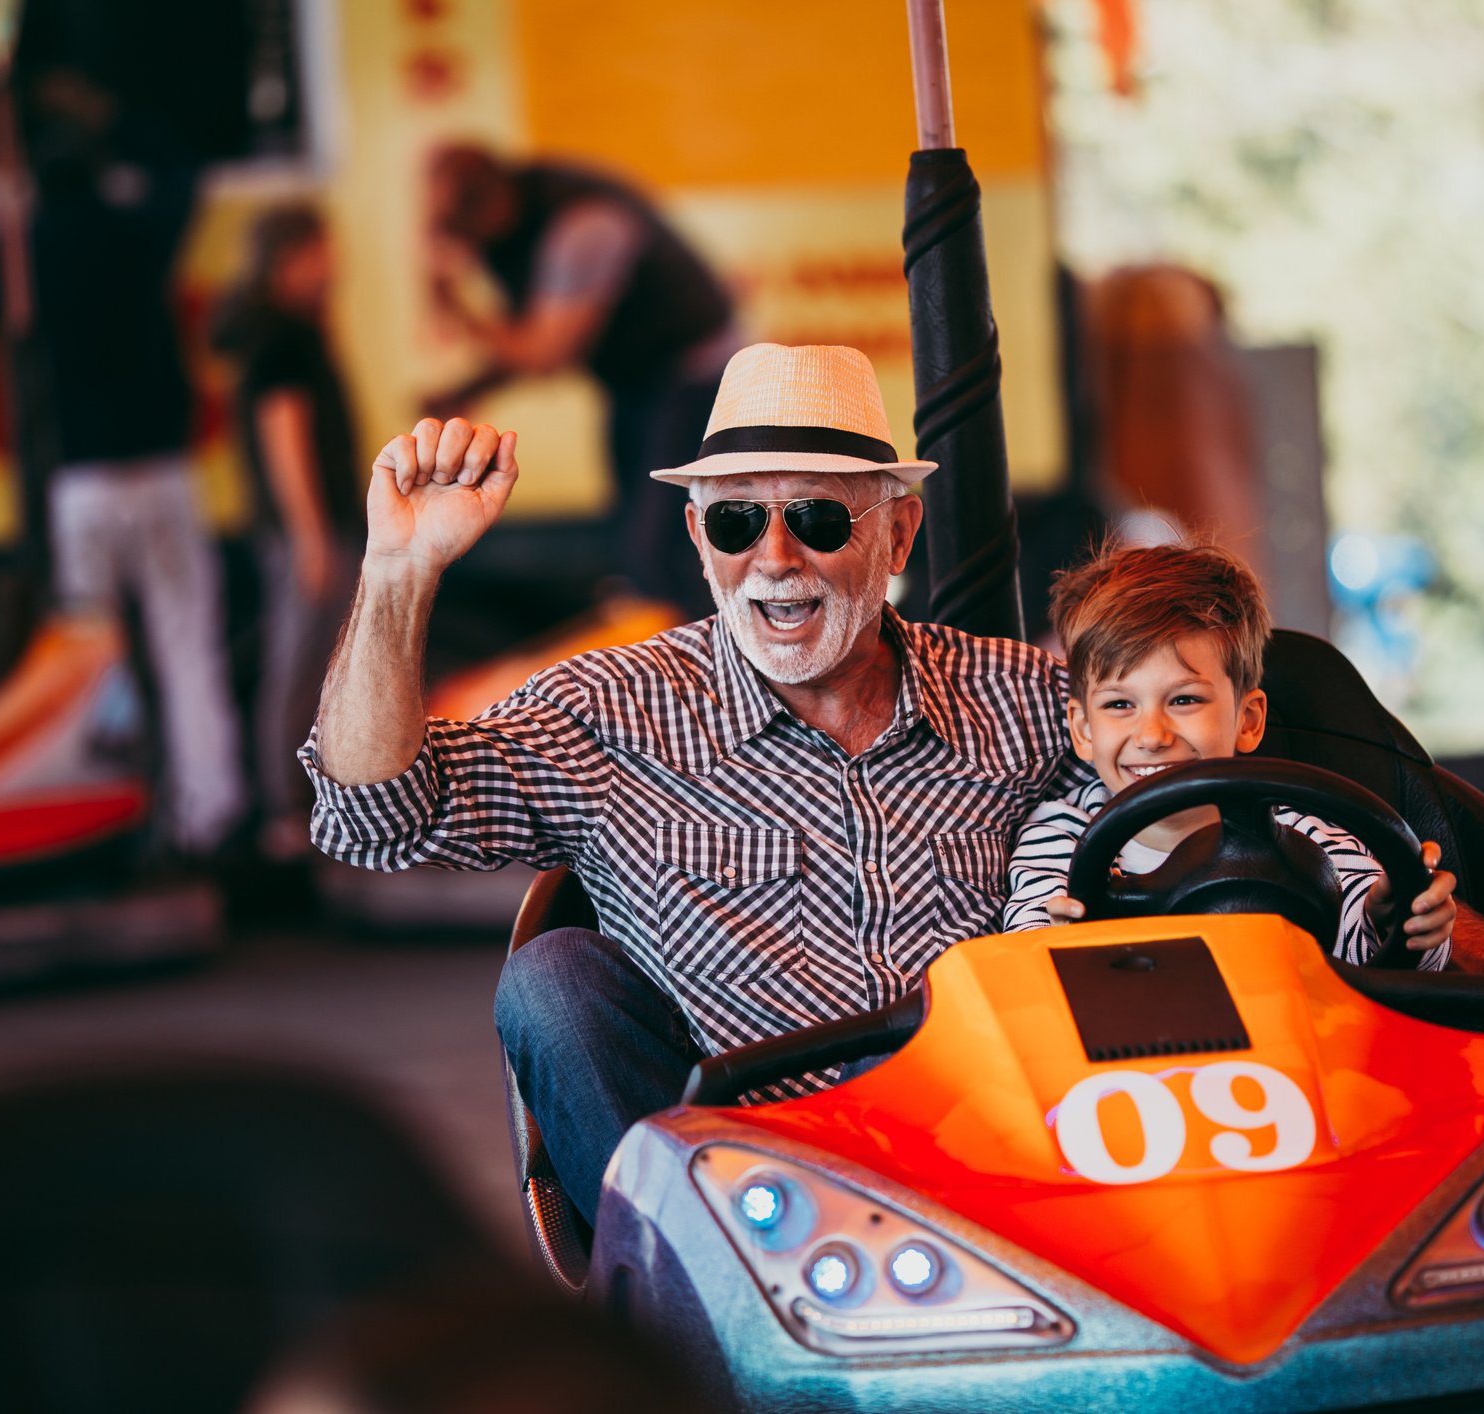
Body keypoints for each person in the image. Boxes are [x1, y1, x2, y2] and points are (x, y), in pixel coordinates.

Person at [305, 344, 1093, 1220]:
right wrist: (399, 573)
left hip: (984, 1162)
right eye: (735, 524)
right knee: (551, 978)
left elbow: (1193, 777)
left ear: (898, 534)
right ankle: (678, 1309)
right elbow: (369, 818)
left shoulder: (1022, 697)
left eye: (821, 520)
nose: (776, 556)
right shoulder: (608, 709)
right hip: (734, 1202)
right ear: (697, 538)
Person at [0, 71, 245, 857]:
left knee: (92, 662)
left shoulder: (23, 254)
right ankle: (210, 813)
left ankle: (112, 814)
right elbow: (183, 173)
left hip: (80, 484)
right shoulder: (139, 231)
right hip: (165, 472)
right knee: (188, 646)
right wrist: (113, 113)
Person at [1002, 540, 1457, 966]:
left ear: (1248, 720)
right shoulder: (1061, 836)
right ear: (1083, 730)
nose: (1152, 735)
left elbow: (1384, 959)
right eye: (1120, 705)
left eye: (1184, 700)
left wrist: (1395, 919)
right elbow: (1029, 947)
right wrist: (1060, 944)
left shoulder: (1300, 834)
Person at [423, 143, 742, 616]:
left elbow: (545, 352)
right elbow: (532, 338)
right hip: (638, 381)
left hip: (696, 376)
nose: (466, 254)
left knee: (660, 543)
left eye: (464, 237)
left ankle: (705, 660)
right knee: (631, 539)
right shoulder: (517, 228)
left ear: (492, 205)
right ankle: (669, 643)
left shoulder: (584, 225)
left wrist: (458, 311)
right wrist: (469, 390)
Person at [211, 203, 365, 860]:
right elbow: (285, 440)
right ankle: (282, 811)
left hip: (318, 527)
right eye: (320, 253)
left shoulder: (287, 332)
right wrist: (310, 536)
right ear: (288, 259)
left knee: (314, 666)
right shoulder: (279, 341)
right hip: (310, 530)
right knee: (300, 667)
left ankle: (303, 805)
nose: (333, 266)